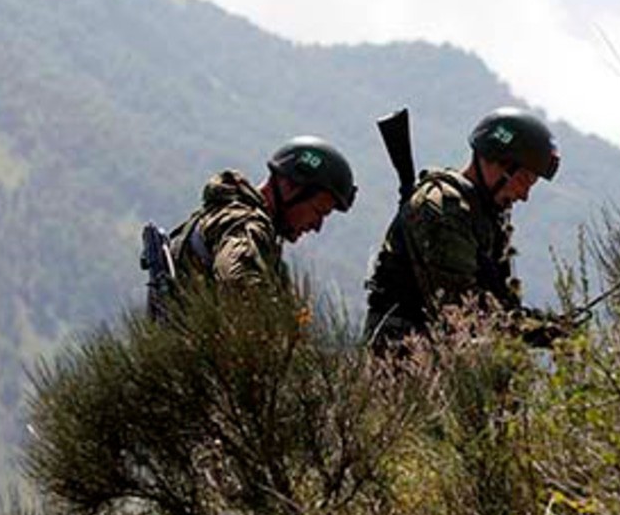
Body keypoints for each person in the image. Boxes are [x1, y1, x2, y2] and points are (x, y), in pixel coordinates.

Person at [364, 107, 565, 350]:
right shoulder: (443, 211)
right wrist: (536, 332)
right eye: (523, 180)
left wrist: (546, 324)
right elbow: (460, 310)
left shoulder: (480, 215)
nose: (524, 195)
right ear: (493, 162)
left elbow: (494, 304)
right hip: (404, 364)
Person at [167, 136, 356, 291]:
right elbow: (237, 281)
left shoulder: (236, 220)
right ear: (289, 188)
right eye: (318, 211)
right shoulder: (245, 225)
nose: (317, 226)